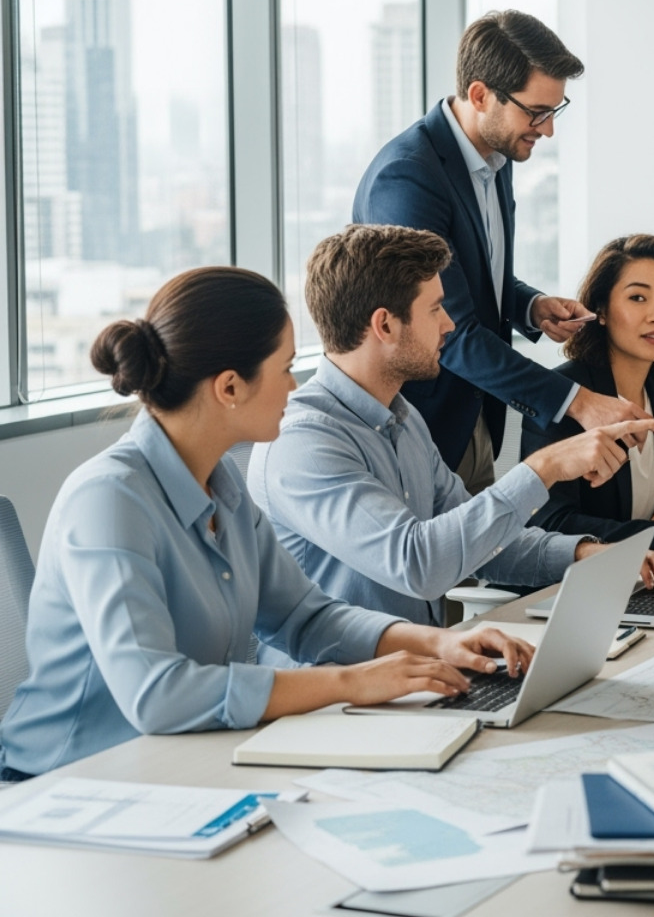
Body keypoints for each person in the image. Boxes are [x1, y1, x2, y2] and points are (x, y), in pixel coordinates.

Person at [0, 268, 534, 779]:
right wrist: (350, 683)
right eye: (283, 369)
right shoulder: (110, 501)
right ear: (229, 387)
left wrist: (433, 645)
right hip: (67, 780)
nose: (294, 385)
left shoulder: (224, 490)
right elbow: (157, 694)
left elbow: (305, 618)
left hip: (186, 760)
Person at [247, 225, 654, 652]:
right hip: (333, 700)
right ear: (385, 325)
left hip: (420, 678)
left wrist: (586, 555)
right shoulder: (302, 442)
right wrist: (544, 468)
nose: (449, 324)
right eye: (435, 309)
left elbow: (483, 542)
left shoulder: (403, 419)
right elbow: (418, 563)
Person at [353, 10, 650, 495]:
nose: (548, 129)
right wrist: (578, 402)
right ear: (479, 94)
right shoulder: (408, 177)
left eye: (555, 111)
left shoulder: (497, 154)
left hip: (473, 416)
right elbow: (449, 327)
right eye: (536, 112)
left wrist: (529, 307)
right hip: (415, 424)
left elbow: (468, 276)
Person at [521, 235, 654, 558]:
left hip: (648, 580)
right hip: (571, 587)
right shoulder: (563, 394)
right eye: (637, 298)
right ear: (602, 311)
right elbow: (552, 523)